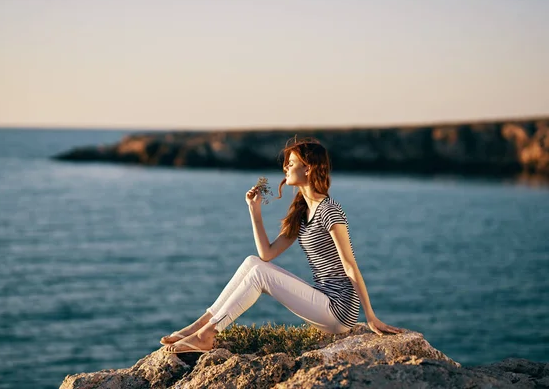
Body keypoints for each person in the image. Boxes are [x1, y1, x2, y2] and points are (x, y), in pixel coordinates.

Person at [161, 137, 405, 354]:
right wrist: (254, 211)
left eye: (292, 163)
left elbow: (350, 266)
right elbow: (266, 254)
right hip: (323, 298)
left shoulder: (329, 211)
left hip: (339, 310)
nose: (286, 167)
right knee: (252, 263)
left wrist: (370, 317)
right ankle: (199, 326)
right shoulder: (303, 211)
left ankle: (207, 335)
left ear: (308, 169)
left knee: (259, 274)